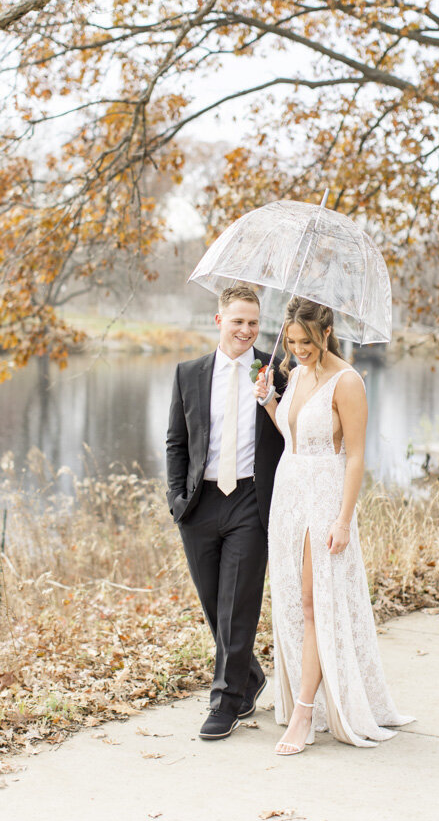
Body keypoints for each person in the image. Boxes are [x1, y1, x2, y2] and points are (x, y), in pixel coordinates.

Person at [255, 296, 413, 754]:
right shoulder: (297, 374)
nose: (297, 350)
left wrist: (343, 520)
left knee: (313, 603)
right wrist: (269, 401)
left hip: (326, 498)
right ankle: (310, 699)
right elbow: (294, 436)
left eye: (306, 341)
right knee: (291, 601)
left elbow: (357, 455)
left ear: (325, 333)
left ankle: (305, 713)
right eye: (290, 341)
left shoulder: (348, 382)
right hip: (288, 493)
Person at [166, 285, 285, 740]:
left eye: (253, 323)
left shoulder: (274, 375)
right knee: (215, 604)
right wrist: (177, 500)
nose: (246, 330)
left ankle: (225, 701)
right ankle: (250, 676)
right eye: (238, 321)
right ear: (219, 321)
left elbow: (292, 433)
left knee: (239, 605)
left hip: (250, 502)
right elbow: (177, 441)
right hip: (200, 503)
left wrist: (271, 396)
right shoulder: (189, 373)